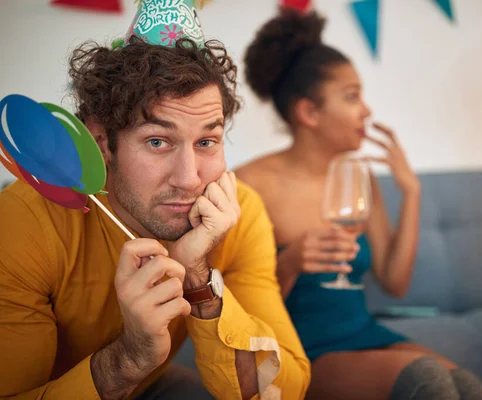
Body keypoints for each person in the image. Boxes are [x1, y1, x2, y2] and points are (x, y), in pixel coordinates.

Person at [0, 1, 310, 399]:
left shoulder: (239, 213)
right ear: (101, 142)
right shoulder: (25, 223)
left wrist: (199, 279)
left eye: (206, 141)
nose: (189, 178)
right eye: (157, 141)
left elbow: (285, 388)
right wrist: (129, 359)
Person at [236, 8, 482, 400]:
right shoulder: (250, 184)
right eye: (352, 96)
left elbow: (394, 281)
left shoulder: (360, 178)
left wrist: (411, 193)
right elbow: (238, 314)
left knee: (470, 387)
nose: (367, 111)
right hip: (300, 347)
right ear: (309, 112)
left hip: (363, 334)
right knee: (427, 380)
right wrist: (290, 261)